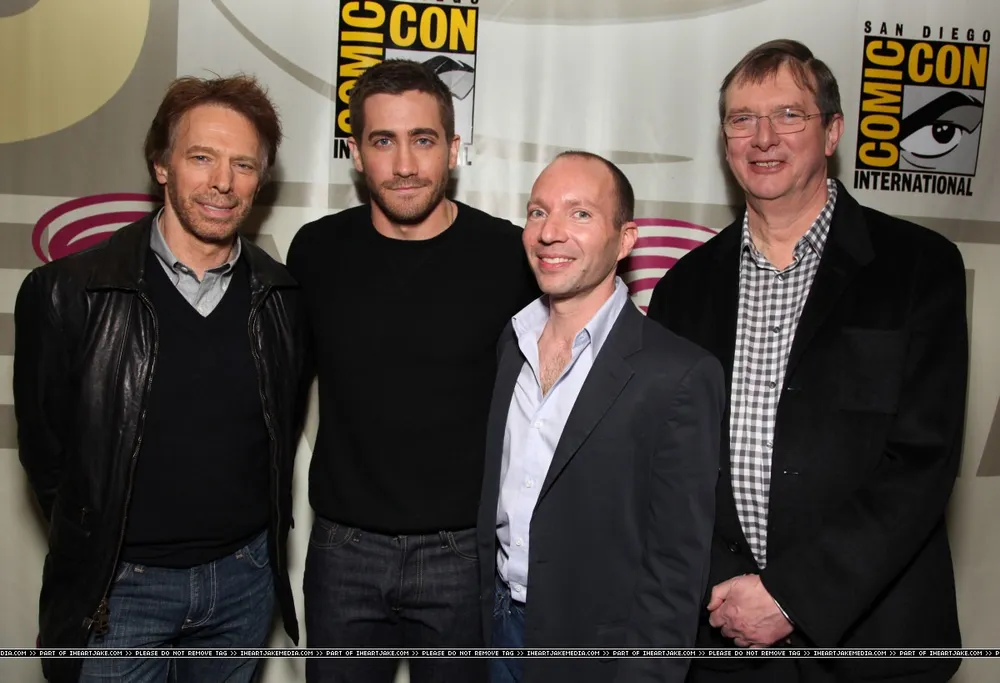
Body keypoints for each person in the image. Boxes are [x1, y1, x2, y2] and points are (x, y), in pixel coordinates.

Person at [646, 39, 967, 683]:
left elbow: (922, 460)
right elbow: (663, 462)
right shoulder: (683, 287)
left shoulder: (918, 267)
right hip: (722, 635)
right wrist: (730, 590)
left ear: (832, 132)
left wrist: (793, 596)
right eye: (742, 118)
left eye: (789, 115)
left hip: (871, 641)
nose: (763, 137)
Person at [13, 74, 303, 683]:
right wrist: (104, 549)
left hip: (244, 583)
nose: (222, 182)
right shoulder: (68, 293)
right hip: (119, 592)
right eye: (201, 157)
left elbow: (280, 429)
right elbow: (47, 456)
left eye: (243, 164)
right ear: (161, 165)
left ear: (260, 179)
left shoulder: (283, 297)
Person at [285, 59, 539, 683]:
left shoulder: (508, 256)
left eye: (423, 140)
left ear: (453, 148)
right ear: (356, 153)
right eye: (383, 141)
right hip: (343, 551)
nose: (404, 164)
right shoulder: (316, 251)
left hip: (463, 553)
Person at [478, 151, 724, 683]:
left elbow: (676, 568)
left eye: (581, 214)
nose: (550, 233)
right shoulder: (512, 343)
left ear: (626, 239)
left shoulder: (678, 374)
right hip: (494, 629)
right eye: (538, 212)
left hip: (595, 653)